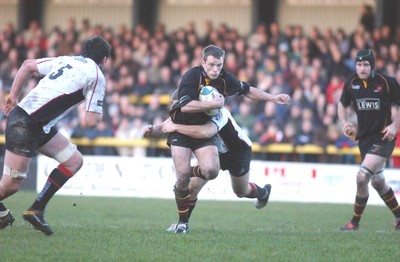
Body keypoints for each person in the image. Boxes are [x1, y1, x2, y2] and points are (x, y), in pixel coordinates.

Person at [164, 44, 290, 233]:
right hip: (213, 150)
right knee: (192, 187)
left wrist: (272, 98)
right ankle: (183, 224)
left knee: (241, 191)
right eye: (212, 65)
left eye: (219, 65)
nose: (216, 69)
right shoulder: (193, 83)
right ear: (203, 62)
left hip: (237, 150)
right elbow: (184, 108)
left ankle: (262, 192)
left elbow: (246, 90)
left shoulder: (219, 110)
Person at [0, 35, 111, 235]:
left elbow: (27, 65)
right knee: (10, 185)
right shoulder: (97, 75)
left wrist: (13, 96)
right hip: (26, 123)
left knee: (73, 160)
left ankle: (36, 209)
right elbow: (91, 122)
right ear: (104, 60)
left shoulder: (67, 60)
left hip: (35, 122)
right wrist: (101, 107)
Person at [338, 49, 400, 231]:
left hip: (384, 137)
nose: (362, 68)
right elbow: (341, 104)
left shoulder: (386, 82)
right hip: (364, 139)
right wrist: (345, 122)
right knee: (378, 182)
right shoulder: (351, 82)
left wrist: (395, 126)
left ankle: (354, 223)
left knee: (362, 176)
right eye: (359, 64)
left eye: (366, 64)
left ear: (372, 65)